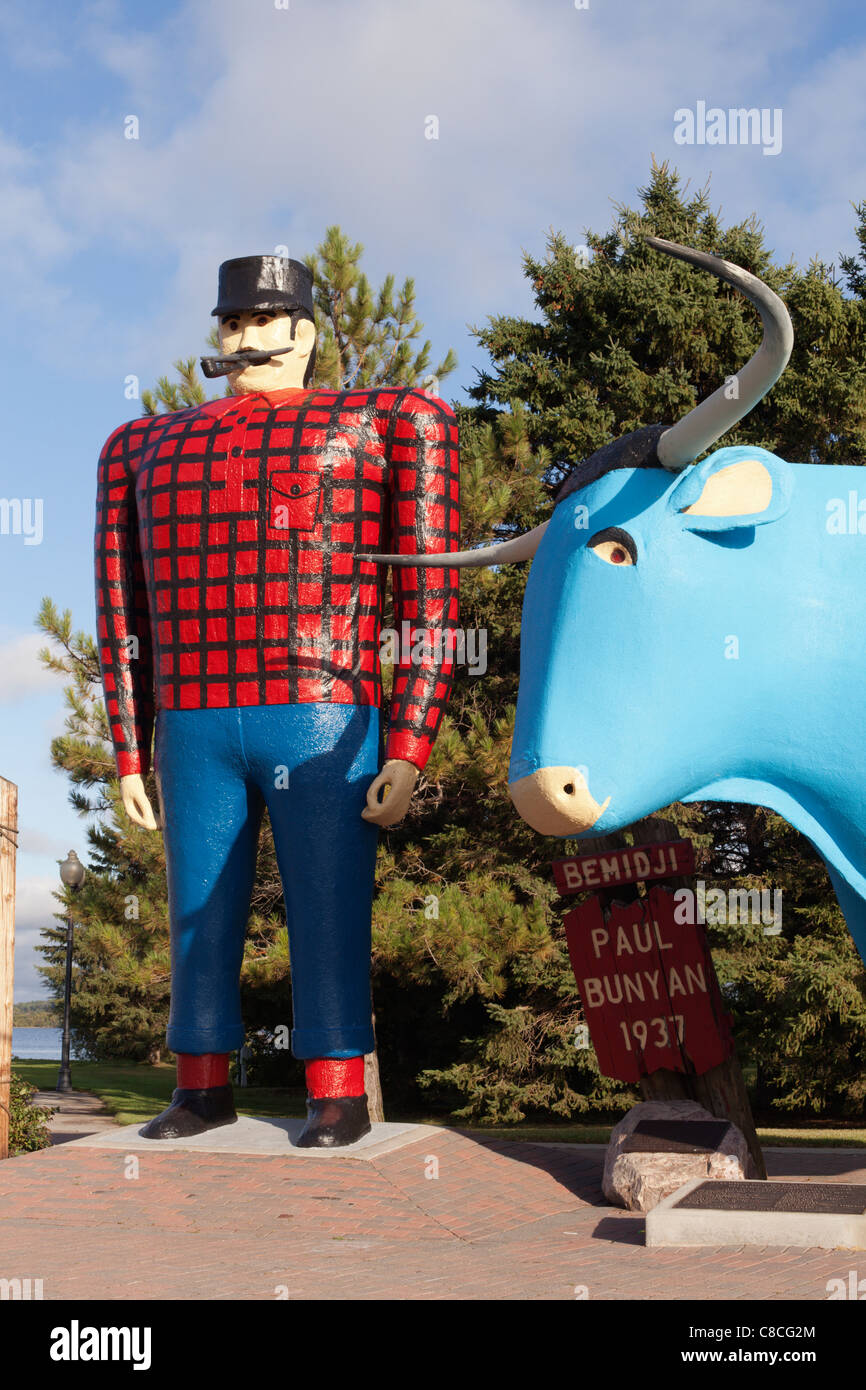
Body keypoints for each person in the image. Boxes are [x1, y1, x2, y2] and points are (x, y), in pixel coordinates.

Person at [95, 255, 459, 1146]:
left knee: (329, 900)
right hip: (192, 712)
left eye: (263, 321)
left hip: (323, 705)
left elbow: (430, 596)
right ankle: (200, 1083)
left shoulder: (393, 420)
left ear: (304, 331)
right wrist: (128, 748)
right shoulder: (138, 447)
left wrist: (410, 743)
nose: (243, 339)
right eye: (231, 323)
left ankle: (335, 1087)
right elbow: (120, 604)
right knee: (197, 906)